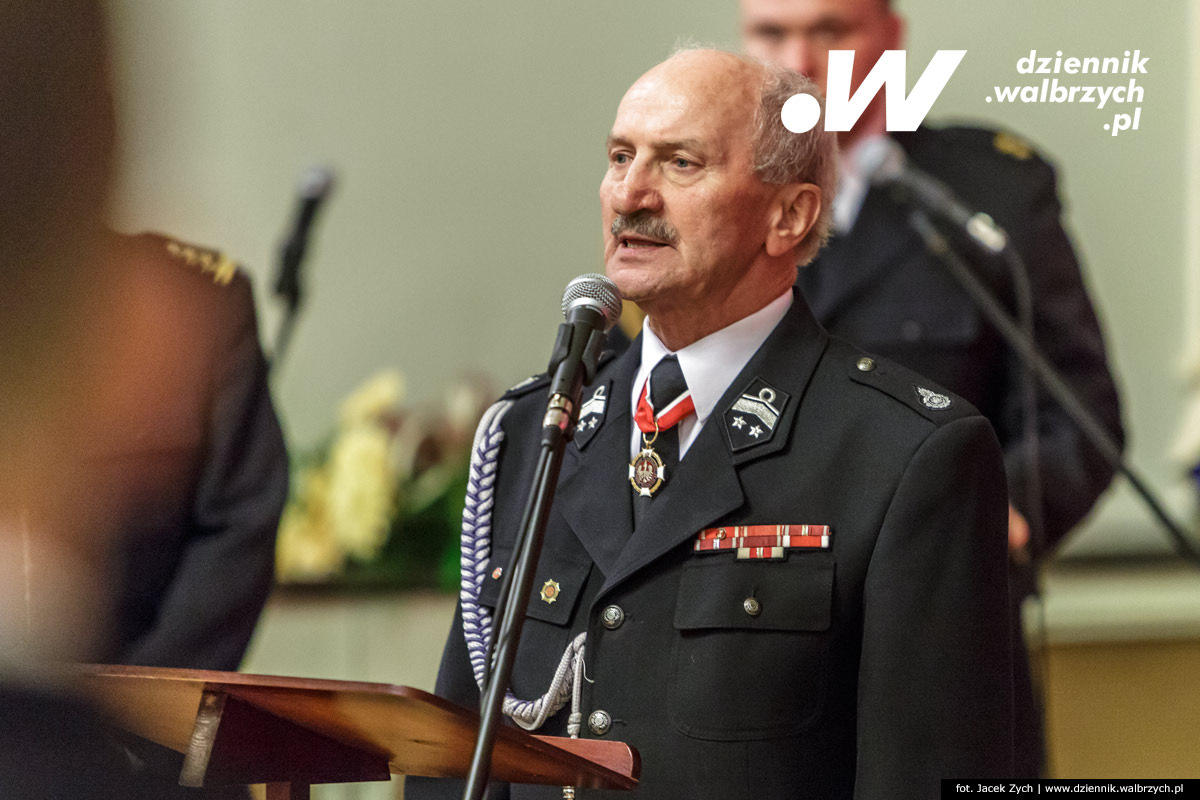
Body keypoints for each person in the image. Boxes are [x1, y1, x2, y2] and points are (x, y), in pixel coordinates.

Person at [408, 48, 1013, 799]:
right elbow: (455, 758)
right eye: (620, 156)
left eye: (680, 163)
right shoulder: (536, 429)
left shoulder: (903, 454)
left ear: (788, 216)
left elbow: (924, 772)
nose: (631, 193)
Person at [739, 0, 1125, 777]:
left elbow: (1077, 415)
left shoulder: (987, 191)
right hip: (750, 646)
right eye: (773, 33)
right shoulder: (712, 195)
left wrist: (993, 521)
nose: (801, 59)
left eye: (831, 31)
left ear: (890, 39)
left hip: (947, 629)